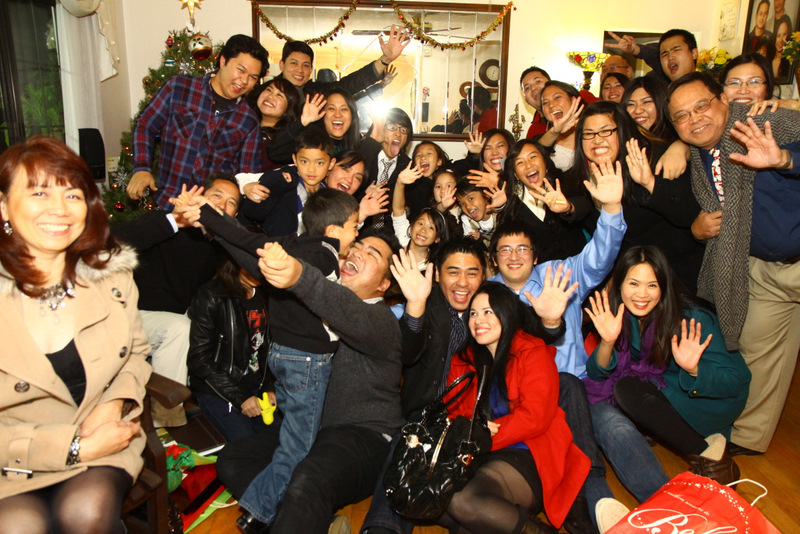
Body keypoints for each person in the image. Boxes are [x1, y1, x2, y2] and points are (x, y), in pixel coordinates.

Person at [0, 136, 151, 532]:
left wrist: (115, 402)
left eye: (73, 195)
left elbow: (137, 354)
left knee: (86, 512)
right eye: (39, 192)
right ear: (3, 205)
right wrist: (72, 447)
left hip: (103, 439)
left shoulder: (111, 277)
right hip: (15, 454)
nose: (60, 209)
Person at [216, 229, 405, 534]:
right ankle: (312, 522)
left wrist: (297, 274)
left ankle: (297, 515)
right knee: (233, 459)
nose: (357, 252)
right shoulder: (314, 309)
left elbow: (330, 298)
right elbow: (263, 264)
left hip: (363, 434)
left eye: (372, 254)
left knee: (308, 478)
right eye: (356, 246)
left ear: (383, 284)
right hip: (307, 426)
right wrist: (213, 226)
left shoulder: (381, 320)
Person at [667, 71, 800, 454]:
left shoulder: (769, 123)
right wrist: (697, 228)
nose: (694, 119)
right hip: (760, 268)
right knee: (758, 354)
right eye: (682, 116)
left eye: (701, 106)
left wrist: (784, 159)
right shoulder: (698, 155)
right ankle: (748, 439)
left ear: (724, 99)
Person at [583, 245, 751, 489]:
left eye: (652, 285)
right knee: (622, 389)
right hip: (665, 389)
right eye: (633, 284)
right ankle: (683, 441)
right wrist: (608, 342)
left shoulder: (693, 318)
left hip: (706, 399)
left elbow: (736, 380)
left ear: (664, 286)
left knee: (627, 390)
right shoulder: (622, 315)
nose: (642, 294)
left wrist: (695, 370)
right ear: (619, 285)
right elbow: (597, 373)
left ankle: (713, 461)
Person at [440, 282, 593, 534]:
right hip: (478, 454)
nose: (478, 320)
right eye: (473, 313)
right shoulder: (463, 359)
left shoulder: (532, 350)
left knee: (462, 503)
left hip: (530, 451)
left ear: (506, 314)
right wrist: (473, 430)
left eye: (488, 312)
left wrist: (482, 435)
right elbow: (455, 412)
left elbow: (535, 418)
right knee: (443, 504)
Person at [113, 174, 241, 426]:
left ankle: (179, 417)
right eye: (217, 196)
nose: (222, 205)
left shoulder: (223, 245)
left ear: (234, 215)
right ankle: (167, 419)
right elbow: (112, 241)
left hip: (169, 322)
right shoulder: (166, 223)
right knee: (180, 328)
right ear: (200, 198)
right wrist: (175, 220)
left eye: (231, 203)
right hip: (129, 315)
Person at [573, 101, 705, 293]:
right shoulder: (583, 177)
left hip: (676, 276)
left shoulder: (654, 157)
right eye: (589, 134)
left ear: (622, 131)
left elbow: (690, 213)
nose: (597, 140)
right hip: (631, 282)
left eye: (606, 131)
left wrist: (649, 183)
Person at [128, 34, 269, 209]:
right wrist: (142, 168)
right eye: (241, 70)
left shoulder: (249, 121)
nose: (244, 81)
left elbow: (247, 175)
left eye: (253, 77)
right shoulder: (178, 88)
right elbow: (145, 125)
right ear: (223, 61)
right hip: (167, 203)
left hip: (211, 213)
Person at [186, 252, 274, 442]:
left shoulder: (267, 294)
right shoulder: (212, 295)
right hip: (220, 391)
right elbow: (199, 359)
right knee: (247, 447)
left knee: (281, 440)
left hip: (257, 387)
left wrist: (269, 387)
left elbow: (269, 347)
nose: (258, 272)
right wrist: (240, 396)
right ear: (236, 262)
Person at [498, 139, 590, 263]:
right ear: (516, 175)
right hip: (541, 272)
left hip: (579, 264)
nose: (528, 165)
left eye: (533, 157)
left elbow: (585, 206)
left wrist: (567, 207)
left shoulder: (563, 182)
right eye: (520, 162)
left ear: (545, 161)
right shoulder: (512, 205)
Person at [238, 129, 337, 236]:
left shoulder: (329, 196)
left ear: (331, 164)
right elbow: (252, 211)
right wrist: (266, 186)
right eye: (304, 161)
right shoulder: (283, 180)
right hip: (277, 244)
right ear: (295, 160)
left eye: (319, 163)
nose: (311, 169)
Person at [274, 27, 409, 97]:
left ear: (310, 70)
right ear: (282, 64)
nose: (299, 70)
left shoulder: (315, 92)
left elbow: (349, 85)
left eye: (305, 65)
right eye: (293, 63)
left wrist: (385, 59)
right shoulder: (267, 93)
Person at [359, 108, 414, 230]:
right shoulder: (364, 153)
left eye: (403, 130)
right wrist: (365, 194)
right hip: (358, 228)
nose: (398, 133)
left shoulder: (409, 167)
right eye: (392, 127)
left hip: (390, 233)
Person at [248, 77, 303, 171]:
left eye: (280, 95)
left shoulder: (286, 140)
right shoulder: (244, 124)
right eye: (269, 90)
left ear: (287, 110)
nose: (271, 96)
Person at [607, 29, 697, 85]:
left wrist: (639, 50)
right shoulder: (659, 85)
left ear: (694, 53)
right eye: (665, 54)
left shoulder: (705, 85)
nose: (670, 57)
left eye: (676, 49)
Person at [537, 81, 584, 171]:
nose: (551, 105)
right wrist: (555, 132)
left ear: (573, 100)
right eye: (545, 102)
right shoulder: (544, 140)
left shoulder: (592, 132)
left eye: (557, 97)